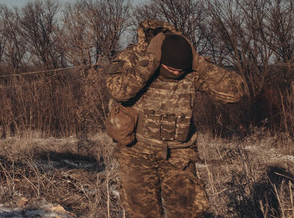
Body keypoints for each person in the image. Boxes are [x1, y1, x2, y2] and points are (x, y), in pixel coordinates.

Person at [105, 19, 245, 218]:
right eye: (172, 69)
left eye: (181, 70)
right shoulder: (133, 57)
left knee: (187, 212)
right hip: (136, 152)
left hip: (179, 153)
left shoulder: (189, 62)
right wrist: (150, 62)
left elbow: (235, 92)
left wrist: (201, 64)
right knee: (142, 214)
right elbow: (119, 91)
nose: (178, 73)